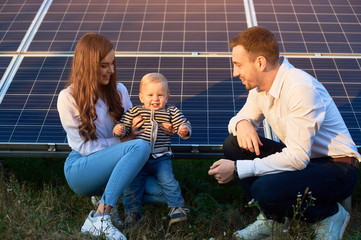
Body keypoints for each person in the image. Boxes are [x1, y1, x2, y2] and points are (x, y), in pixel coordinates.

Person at [208, 26, 360, 240]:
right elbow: (239, 118)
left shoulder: (300, 88)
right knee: (234, 144)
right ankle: (273, 220)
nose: (235, 73)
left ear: (260, 63)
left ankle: (330, 215)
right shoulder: (259, 88)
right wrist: (242, 122)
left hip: (337, 168)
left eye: (238, 65)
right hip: (306, 161)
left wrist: (237, 168)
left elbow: (297, 158)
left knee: (264, 189)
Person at [57, 33, 170, 240]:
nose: (111, 70)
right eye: (104, 65)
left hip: (120, 164)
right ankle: (101, 217)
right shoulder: (67, 98)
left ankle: (107, 194)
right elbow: (84, 147)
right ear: (88, 65)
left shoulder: (119, 91)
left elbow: (136, 132)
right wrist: (123, 141)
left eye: (112, 63)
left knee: (166, 192)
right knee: (139, 148)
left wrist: (159, 127)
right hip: (82, 168)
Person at [113, 72, 191, 228]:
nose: (155, 99)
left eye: (160, 95)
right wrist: (119, 129)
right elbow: (124, 124)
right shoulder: (136, 111)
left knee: (167, 180)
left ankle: (177, 208)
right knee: (132, 183)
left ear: (167, 97)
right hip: (138, 158)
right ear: (141, 97)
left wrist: (183, 129)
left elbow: (183, 122)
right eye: (150, 95)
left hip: (161, 157)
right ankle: (132, 213)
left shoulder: (171, 112)